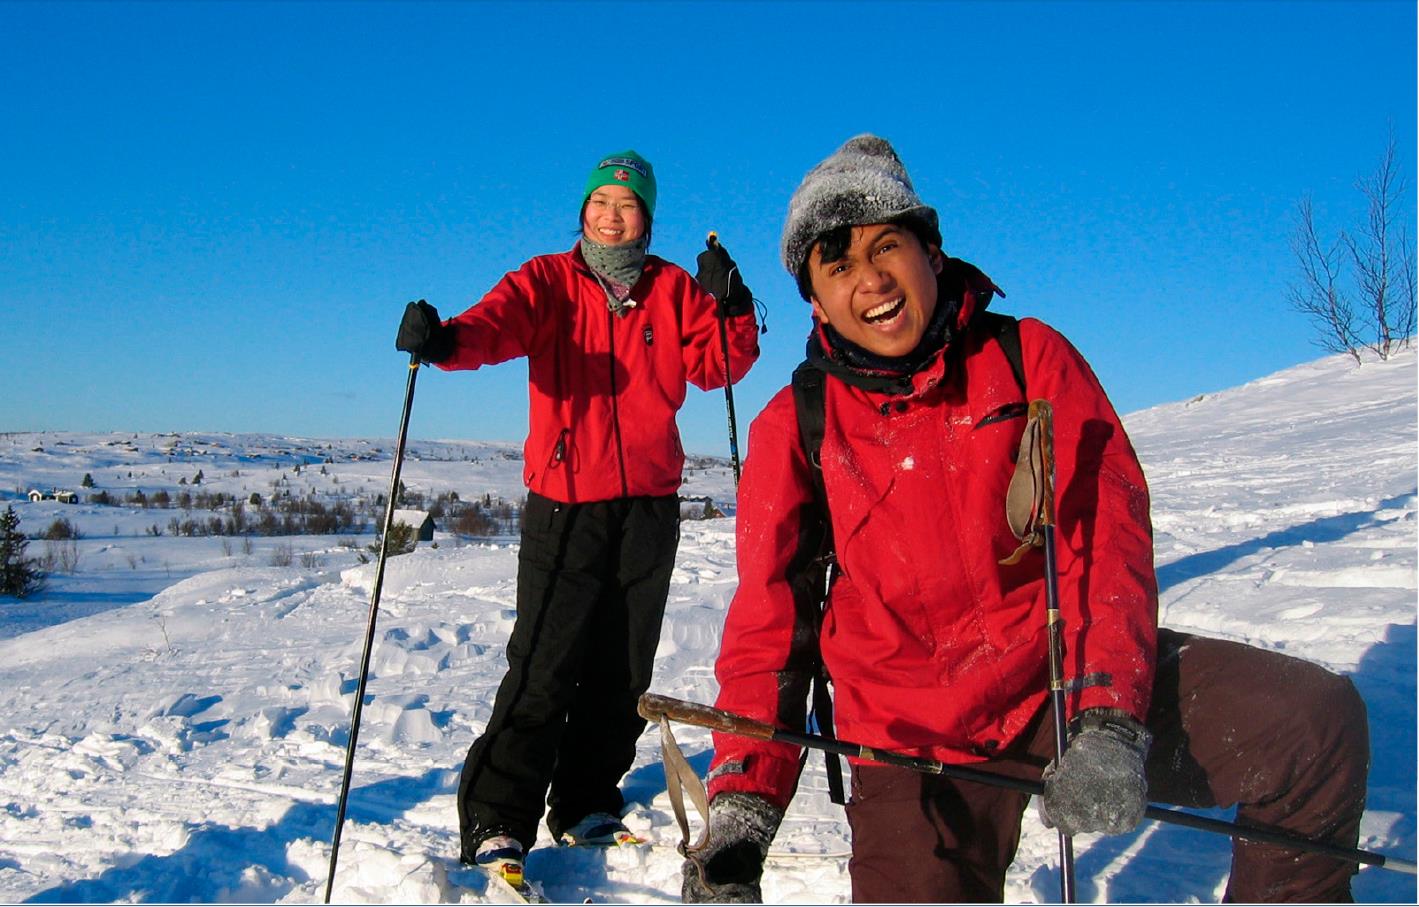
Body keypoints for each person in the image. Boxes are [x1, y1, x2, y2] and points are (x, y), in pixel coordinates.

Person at [681, 135, 1370, 903]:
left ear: (931, 253)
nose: (870, 278)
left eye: (887, 246)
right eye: (836, 264)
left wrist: (1109, 720)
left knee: (1311, 725)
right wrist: (742, 811)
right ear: (814, 297)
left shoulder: (1030, 359)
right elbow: (770, 628)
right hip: (910, 740)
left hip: (1056, 682)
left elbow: (1106, 545)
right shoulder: (796, 423)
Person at [395, 149, 761, 877]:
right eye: (601, 203)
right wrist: (443, 342)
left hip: (650, 506)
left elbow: (718, 365)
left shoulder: (675, 288)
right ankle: (499, 816)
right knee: (542, 665)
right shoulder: (547, 281)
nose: (612, 214)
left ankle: (587, 799)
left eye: (626, 205)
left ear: (646, 219)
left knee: (621, 669)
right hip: (565, 504)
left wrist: (733, 303)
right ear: (583, 211)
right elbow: (492, 327)